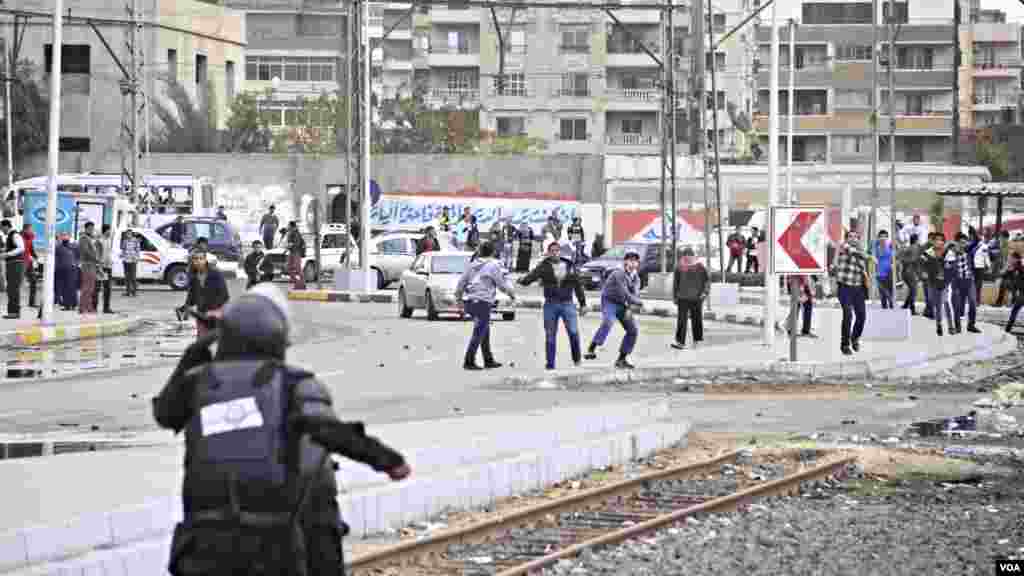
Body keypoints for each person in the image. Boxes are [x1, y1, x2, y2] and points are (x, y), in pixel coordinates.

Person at [153, 284, 411, 576]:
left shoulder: (198, 382)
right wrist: (388, 460)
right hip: (270, 540)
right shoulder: (291, 384)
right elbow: (326, 429)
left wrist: (197, 349)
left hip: (202, 541)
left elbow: (165, 413)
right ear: (278, 339)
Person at [518, 241, 587, 370]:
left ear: (560, 252)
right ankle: (550, 364)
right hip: (551, 304)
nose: (555, 253)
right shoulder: (544, 266)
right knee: (550, 335)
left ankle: (577, 359)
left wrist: (583, 304)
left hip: (568, 304)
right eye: (552, 251)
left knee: (573, 332)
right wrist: (522, 280)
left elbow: (577, 285)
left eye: (557, 250)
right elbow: (531, 277)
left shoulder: (569, 265)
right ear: (548, 253)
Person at [455, 242, 516, 371]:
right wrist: (511, 294)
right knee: (478, 333)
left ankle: (488, 360)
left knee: (484, 331)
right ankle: (469, 361)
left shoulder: (472, 265)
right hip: (483, 302)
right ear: (493, 252)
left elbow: (461, 283)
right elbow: (501, 284)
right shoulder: (493, 265)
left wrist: (459, 299)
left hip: (470, 301)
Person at [584, 250, 643, 369]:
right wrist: (639, 303)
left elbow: (634, 295)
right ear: (625, 262)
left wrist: (630, 309)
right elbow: (625, 293)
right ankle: (592, 348)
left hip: (623, 304)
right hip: (609, 301)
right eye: (630, 260)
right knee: (608, 322)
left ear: (638, 263)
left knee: (633, 330)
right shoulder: (618, 274)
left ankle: (621, 359)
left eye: (635, 261)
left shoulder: (636, 278)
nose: (632, 263)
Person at [830, 231, 870, 356]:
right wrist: (867, 256)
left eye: (856, 237)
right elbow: (852, 251)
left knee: (862, 316)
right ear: (846, 239)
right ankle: (845, 344)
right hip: (844, 287)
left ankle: (855, 338)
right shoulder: (844, 246)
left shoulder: (861, 252)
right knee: (848, 314)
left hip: (858, 289)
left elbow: (863, 271)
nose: (853, 238)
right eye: (850, 236)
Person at [182, 248, 230, 339]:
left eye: (201, 258)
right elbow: (191, 294)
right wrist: (186, 307)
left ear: (205, 259)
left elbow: (224, 295)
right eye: (196, 259)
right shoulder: (192, 275)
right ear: (192, 261)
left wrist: (213, 310)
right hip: (201, 312)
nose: (198, 261)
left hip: (216, 312)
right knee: (201, 339)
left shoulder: (215, 273)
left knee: (216, 339)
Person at [671, 247, 709, 350]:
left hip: (697, 298)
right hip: (682, 298)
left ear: (693, 256)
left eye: (690, 255)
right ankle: (680, 342)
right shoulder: (679, 267)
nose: (687, 257)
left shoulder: (700, 266)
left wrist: (705, 293)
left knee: (697, 319)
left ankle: (697, 341)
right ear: (683, 256)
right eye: (685, 255)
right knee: (681, 321)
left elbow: (706, 281)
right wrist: (674, 297)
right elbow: (675, 283)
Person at [951, 232, 980, 334]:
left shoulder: (968, 250)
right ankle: (958, 327)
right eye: (961, 243)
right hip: (957, 283)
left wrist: (973, 232)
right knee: (957, 305)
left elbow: (976, 241)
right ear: (956, 243)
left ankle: (971, 325)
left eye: (965, 243)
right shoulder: (951, 253)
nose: (963, 245)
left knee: (973, 302)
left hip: (969, 281)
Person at [0, 219, 24, 319]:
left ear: (6, 226)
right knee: (11, 288)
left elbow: (21, 248)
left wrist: (6, 254)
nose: (2, 230)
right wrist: (3, 250)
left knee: (13, 288)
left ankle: (14, 312)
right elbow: (11, 247)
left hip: (15, 264)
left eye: (2, 228)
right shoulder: (10, 236)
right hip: (12, 264)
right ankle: (12, 312)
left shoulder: (15, 235)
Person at [78, 222, 100, 315]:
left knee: (91, 287)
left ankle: (88, 306)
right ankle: (82, 307)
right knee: (86, 287)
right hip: (87, 264)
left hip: (92, 264)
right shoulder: (83, 238)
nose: (92, 230)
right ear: (86, 228)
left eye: (92, 228)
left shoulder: (91, 239)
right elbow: (86, 251)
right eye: (90, 228)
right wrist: (96, 258)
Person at [93, 224, 115, 314]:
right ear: (106, 231)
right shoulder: (99, 241)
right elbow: (97, 254)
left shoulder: (109, 240)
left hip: (108, 267)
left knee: (107, 288)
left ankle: (106, 308)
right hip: (100, 267)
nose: (111, 232)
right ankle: (94, 307)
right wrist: (98, 266)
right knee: (97, 288)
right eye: (110, 230)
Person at [1002, 252, 1024, 332]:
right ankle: (1008, 329)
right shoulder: (1015, 267)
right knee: (1015, 310)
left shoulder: (1020, 266)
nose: (1010, 259)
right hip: (1019, 292)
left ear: (1016, 259)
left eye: (1012, 258)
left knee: (1015, 310)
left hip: (1021, 293)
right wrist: (1008, 269)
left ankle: (1008, 329)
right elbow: (1004, 275)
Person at [899, 234, 921, 314]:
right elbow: (915, 260)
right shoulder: (915, 248)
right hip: (910, 272)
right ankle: (912, 309)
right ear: (916, 240)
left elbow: (901, 258)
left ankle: (905, 305)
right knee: (914, 291)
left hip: (905, 272)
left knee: (912, 290)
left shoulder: (908, 248)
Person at [55, 233, 77, 310]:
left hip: (71, 269)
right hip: (62, 269)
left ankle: (72, 304)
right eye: (63, 235)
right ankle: (67, 305)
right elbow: (56, 258)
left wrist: (75, 263)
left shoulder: (73, 246)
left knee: (71, 287)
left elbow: (78, 255)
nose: (64, 237)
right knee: (65, 288)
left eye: (66, 235)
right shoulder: (58, 247)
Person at [873, 229, 894, 309]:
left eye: (885, 236)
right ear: (878, 237)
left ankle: (891, 306)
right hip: (879, 273)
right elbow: (872, 255)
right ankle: (884, 307)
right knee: (882, 293)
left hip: (889, 272)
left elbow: (894, 257)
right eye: (881, 236)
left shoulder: (890, 246)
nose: (883, 238)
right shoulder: (876, 247)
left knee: (890, 291)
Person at [286, 222, 307, 290]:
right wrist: (288, 246)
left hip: (296, 253)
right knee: (289, 268)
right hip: (291, 252)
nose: (287, 227)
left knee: (297, 269)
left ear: (292, 227)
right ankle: (297, 283)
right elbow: (289, 243)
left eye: (288, 226)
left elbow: (296, 244)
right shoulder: (290, 233)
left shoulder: (296, 233)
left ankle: (302, 284)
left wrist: (290, 245)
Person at [20, 224, 37, 308]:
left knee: (33, 281)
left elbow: (31, 249)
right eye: (30, 229)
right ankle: (17, 303)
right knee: (19, 282)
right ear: (25, 230)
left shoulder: (30, 237)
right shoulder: (19, 237)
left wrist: (36, 257)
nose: (32, 231)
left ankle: (32, 302)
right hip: (21, 262)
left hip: (28, 262)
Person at [122, 230, 141, 297]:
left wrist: (136, 258)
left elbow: (138, 250)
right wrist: (123, 257)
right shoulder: (124, 241)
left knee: (133, 277)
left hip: (133, 261)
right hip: (126, 260)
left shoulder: (135, 241)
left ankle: (134, 292)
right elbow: (123, 250)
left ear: (132, 234)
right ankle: (128, 291)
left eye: (129, 234)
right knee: (127, 277)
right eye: (127, 234)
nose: (128, 235)